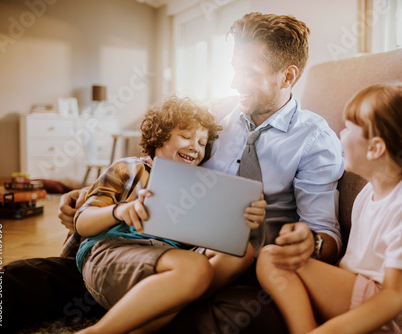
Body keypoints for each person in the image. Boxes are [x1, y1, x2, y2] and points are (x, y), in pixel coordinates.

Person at [0, 12, 344, 333]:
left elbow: (326, 236)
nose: (234, 82)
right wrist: (89, 199)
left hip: (235, 270)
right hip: (152, 247)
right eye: (233, 68)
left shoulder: (316, 141)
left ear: (288, 76)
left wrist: (308, 242)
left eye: (248, 72)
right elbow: (160, 166)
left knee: (241, 320)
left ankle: (133, 311)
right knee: (17, 280)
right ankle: (142, 305)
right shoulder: (217, 117)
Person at [256, 83, 402, 334]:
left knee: (273, 259)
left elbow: (393, 297)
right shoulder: (369, 192)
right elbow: (355, 266)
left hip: (398, 317)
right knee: (271, 257)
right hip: (365, 292)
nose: (340, 134)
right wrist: (312, 245)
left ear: (376, 148)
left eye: (348, 128)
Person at [73, 95, 266, 334]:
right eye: (185, 136)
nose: (195, 146)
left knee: (242, 253)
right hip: (113, 253)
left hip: (170, 264)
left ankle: (148, 316)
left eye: (202, 142)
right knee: (194, 268)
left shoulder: (200, 188)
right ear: (160, 136)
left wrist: (244, 217)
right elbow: (82, 223)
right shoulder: (129, 169)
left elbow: (215, 239)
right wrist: (120, 211)